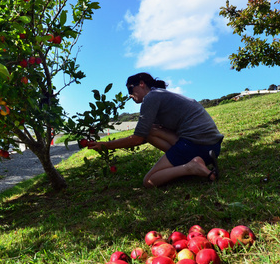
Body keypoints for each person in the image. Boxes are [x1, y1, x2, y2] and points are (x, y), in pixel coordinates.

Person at [88, 72, 224, 188]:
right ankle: (187, 160)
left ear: (141, 84)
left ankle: (191, 167)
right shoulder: (161, 95)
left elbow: (137, 139)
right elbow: (144, 135)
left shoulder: (151, 98)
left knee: (148, 181)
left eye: (130, 90)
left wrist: (106, 145)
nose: (129, 95)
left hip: (196, 146)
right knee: (150, 130)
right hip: (213, 148)